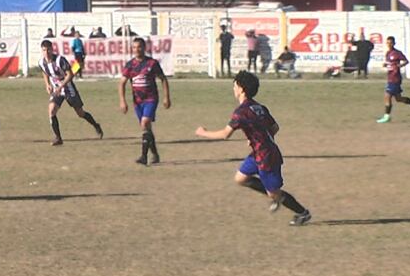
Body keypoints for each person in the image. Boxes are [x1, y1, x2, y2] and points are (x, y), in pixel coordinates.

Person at [195, 70, 311, 226]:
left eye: (235, 85)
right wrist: (258, 138)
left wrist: (203, 133)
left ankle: (302, 212)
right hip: (259, 152)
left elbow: (225, 134)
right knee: (240, 178)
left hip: (266, 157)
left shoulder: (241, 112)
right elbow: (275, 127)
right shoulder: (259, 107)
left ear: (241, 88)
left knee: (275, 193)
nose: (233, 88)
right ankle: (273, 194)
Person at [119, 37, 171, 166]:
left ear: (144, 48)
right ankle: (155, 154)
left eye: (139, 47)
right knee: (147, 128)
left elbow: (163, 79)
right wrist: (122, 101)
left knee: (145, 122)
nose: (137, 50)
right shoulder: (130, 65)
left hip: (151, 99)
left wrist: (166, 97)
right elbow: (122, 83)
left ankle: (143, 156)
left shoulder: (152, 63)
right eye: (135, 47)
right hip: (137, 101)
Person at [39, 40, 102, 146]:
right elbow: (44, 72)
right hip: (57, 90)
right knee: (51, 111)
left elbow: (70, 74)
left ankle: (96, 125)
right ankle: (58, 138)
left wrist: (61, 86)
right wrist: (47, 84)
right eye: (44, 50)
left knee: (80, 113)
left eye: (48, 49)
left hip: (68, 89)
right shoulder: (42, 62)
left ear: (52, 49)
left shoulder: (60, 60)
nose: (46, 52)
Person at [377, 36, 410, 123]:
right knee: (398, 98)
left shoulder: (397, 53)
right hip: (390, 77)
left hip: (395, 78)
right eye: (387, 43)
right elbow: (389, 63)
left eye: (390, 43)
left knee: (387, 96)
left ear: (394, 43)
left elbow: (406, 61)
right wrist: (385, 65)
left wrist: (399, 66)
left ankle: (387, 116)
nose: (389, 44)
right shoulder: (388, 53)